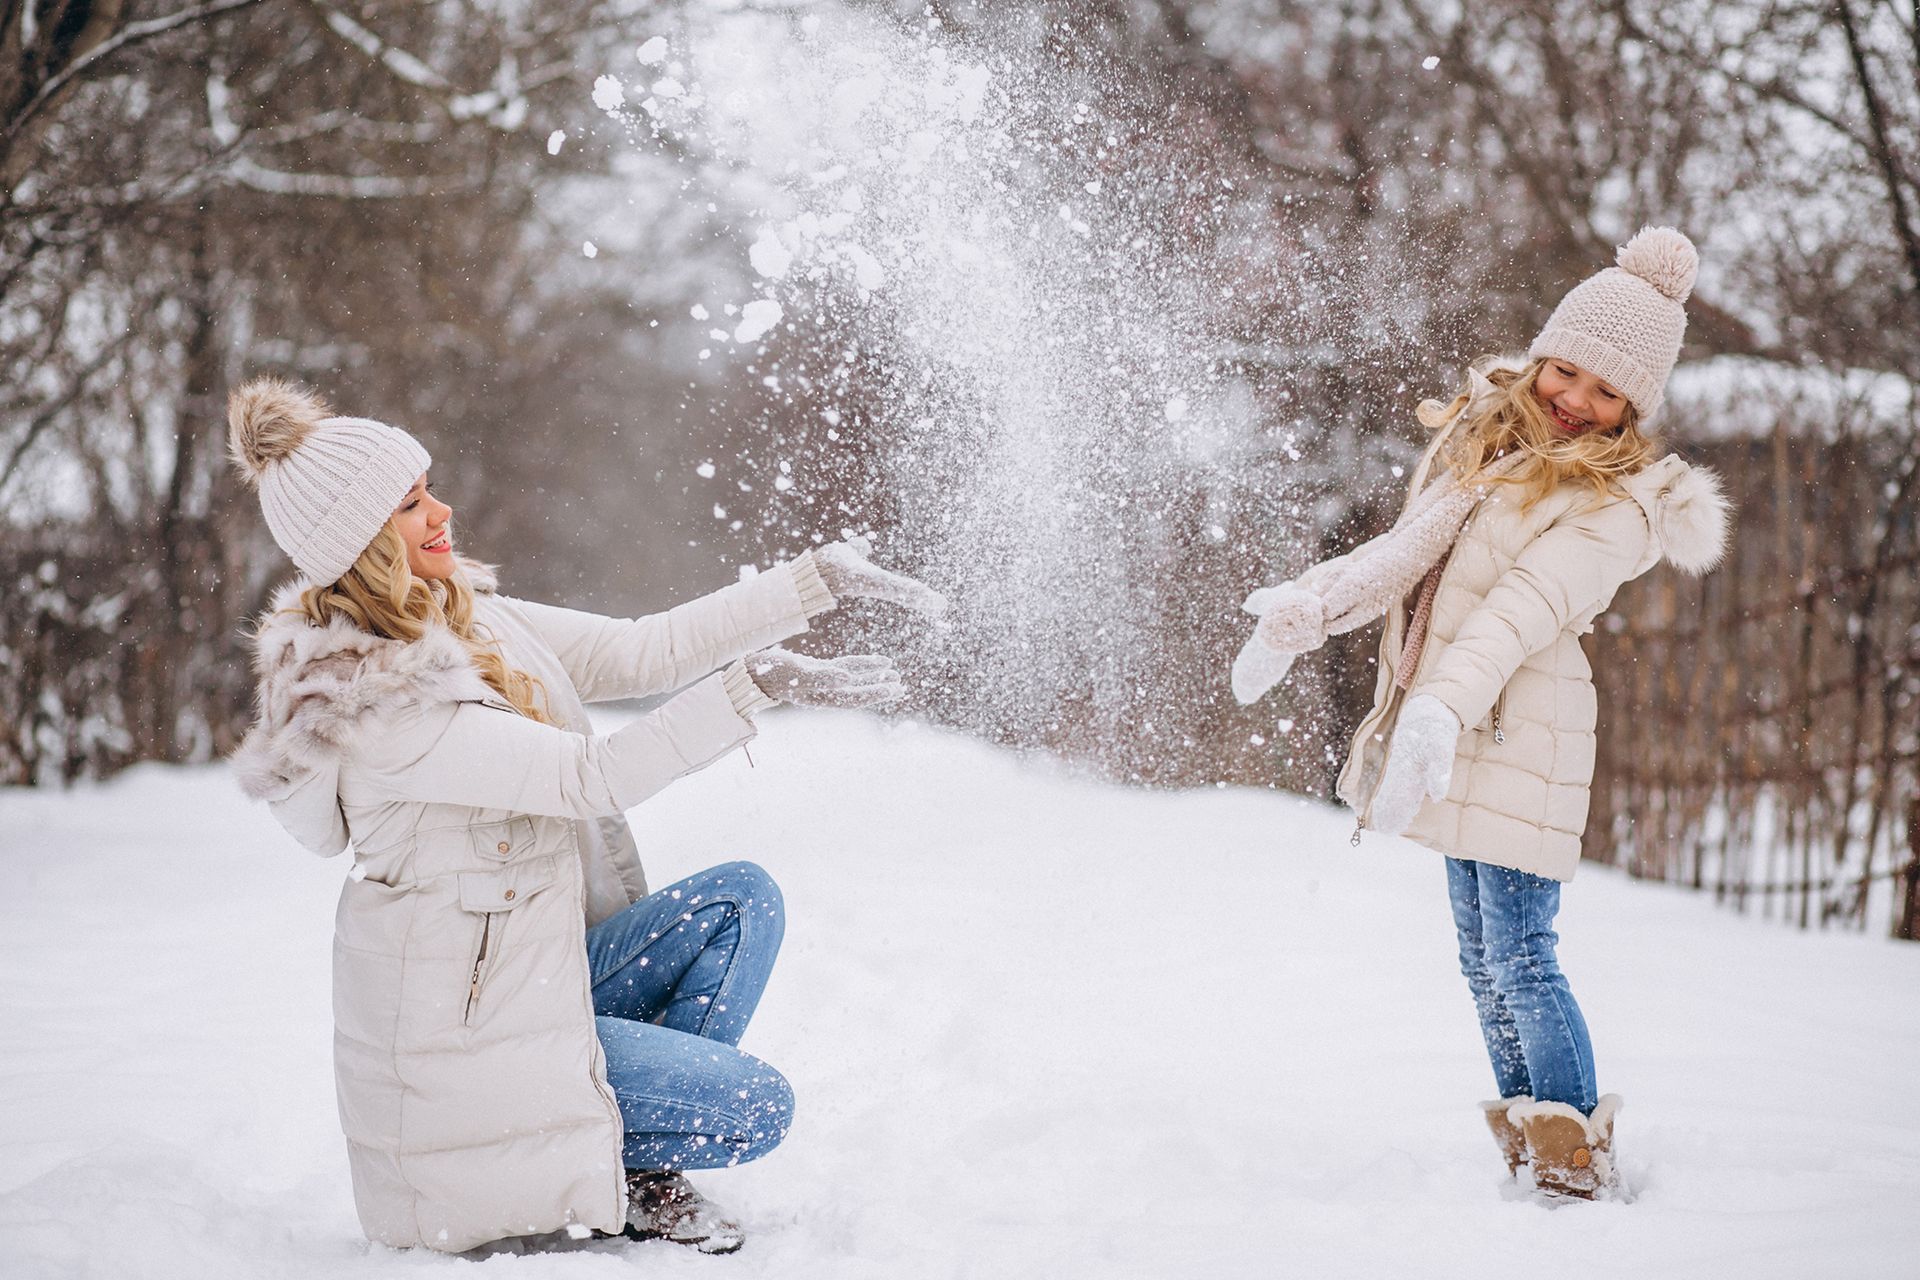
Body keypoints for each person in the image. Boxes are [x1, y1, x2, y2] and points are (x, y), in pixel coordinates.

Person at [225, 378, 943, 1253]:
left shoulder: (470, 625)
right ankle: (618, 1155)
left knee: (739, 901)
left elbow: (642, 648)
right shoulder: (382, 701)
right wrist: (758, 687)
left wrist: (806, 585)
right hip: (468, 1051)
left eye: (428, 489)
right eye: (413, 505)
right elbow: (589, 778)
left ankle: (633, 1168)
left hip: (526, 982)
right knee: (756, 1108)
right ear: (368, 543)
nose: (441, 510)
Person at [1231, 227, 1731, 1198]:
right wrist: (1312, 608)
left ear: (1634, 408)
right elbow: (1404, 552)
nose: (1575, 399)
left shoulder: (1618, 503)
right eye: (1567, 370)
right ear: (1544, 355)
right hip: (1464, 729)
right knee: (1481, 957)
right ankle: (1534, 1150)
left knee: (1523, 955)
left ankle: (1575, 1162)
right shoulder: (1499, 456)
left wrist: (1440, 711)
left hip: (1515, 734)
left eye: (1605, 391)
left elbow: (1520, 611)